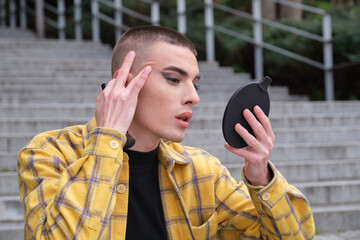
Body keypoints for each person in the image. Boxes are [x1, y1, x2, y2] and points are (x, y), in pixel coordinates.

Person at [17, 25, 315, 239]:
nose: (193, 97)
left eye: (195, 84)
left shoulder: (202, 172)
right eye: (174, 79)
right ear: (124, 82)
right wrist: (108, 138)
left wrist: (261, 176)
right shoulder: (48, 153)